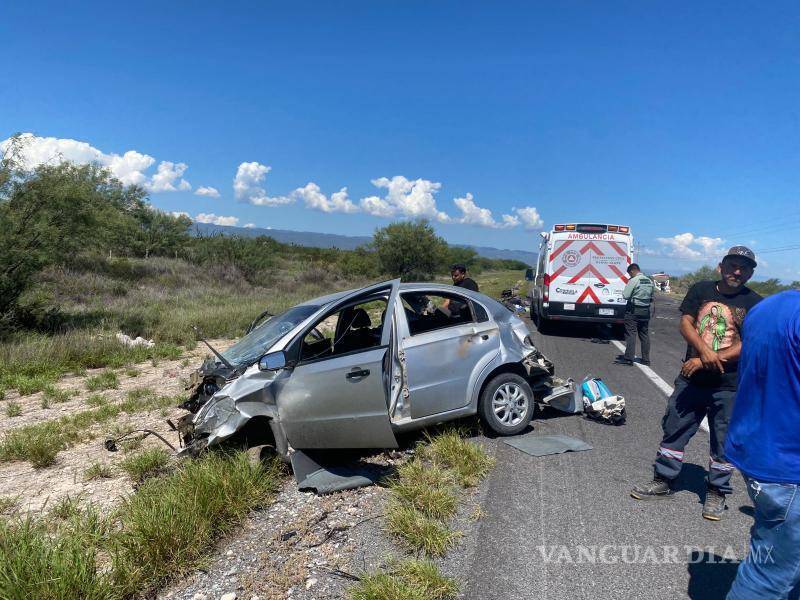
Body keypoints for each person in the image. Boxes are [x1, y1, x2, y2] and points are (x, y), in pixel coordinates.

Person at [630, 246, 762, 521]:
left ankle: (717, 491)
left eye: (744, 268)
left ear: (750, 273)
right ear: (720, 266)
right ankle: (664, 480)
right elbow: (686, 323)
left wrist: (705, 359)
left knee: (724, 441)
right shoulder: (701, 290)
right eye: (732, 265)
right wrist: (704, 351)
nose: (737, 271)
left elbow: (748, 344)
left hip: (729, 385)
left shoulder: (754, 303)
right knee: (674, 428)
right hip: (691, 380)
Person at [725, 290, 800, 599]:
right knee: (770, 577)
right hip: (789, 465)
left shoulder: (768, 306)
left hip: (757, 450)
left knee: (782, 563)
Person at [615, 263, 655, 366]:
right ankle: (646, 359)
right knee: (644, 335)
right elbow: (651, 296)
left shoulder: (634, 280)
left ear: (632, 271)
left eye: (630, 274)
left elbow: (626, 295)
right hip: (645, 311)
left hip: (633, 311)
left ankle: (628, 358)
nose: (630, 276)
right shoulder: (649, 280)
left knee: (631, 334)